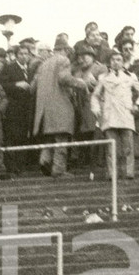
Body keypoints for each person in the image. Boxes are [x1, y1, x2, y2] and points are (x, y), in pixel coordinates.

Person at [32, 36, 86, 178]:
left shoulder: (43, 65)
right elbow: (64, 78)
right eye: (68, 50)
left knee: (49, 139)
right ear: (64, 49)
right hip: (60, 107)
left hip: (44, 110)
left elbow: (33, 87)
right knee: (61, 139)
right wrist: (81, 83)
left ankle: (44, 161)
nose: (69, 54)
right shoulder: (63, 60)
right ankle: (58, 170)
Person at [90, 51, 139, 180]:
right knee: (111, 148)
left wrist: (137, 105)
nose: (116, 62)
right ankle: (112, 173)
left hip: (126, 114)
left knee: (128, 146)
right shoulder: (103, 78)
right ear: (109, 63)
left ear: (122, 62)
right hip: (110, 115)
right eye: (113, 60)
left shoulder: (130, 77)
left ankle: (128, 172)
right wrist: (96, 108)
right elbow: (95, 95)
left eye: (119, 59)